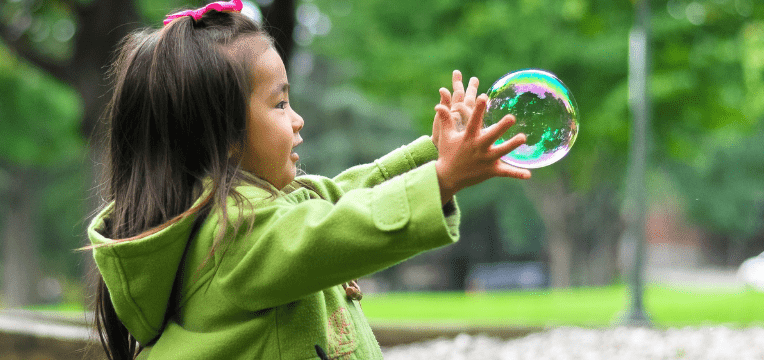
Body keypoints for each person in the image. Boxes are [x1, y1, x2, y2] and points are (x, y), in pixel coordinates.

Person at [84, 1, 530, 359]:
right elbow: (336, 229)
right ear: (223, 138)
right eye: (279, 105)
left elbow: (347, 194)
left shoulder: (255, 212)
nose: (297, 120)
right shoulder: (233, 236)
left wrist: (435, 152)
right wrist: (442, 178)